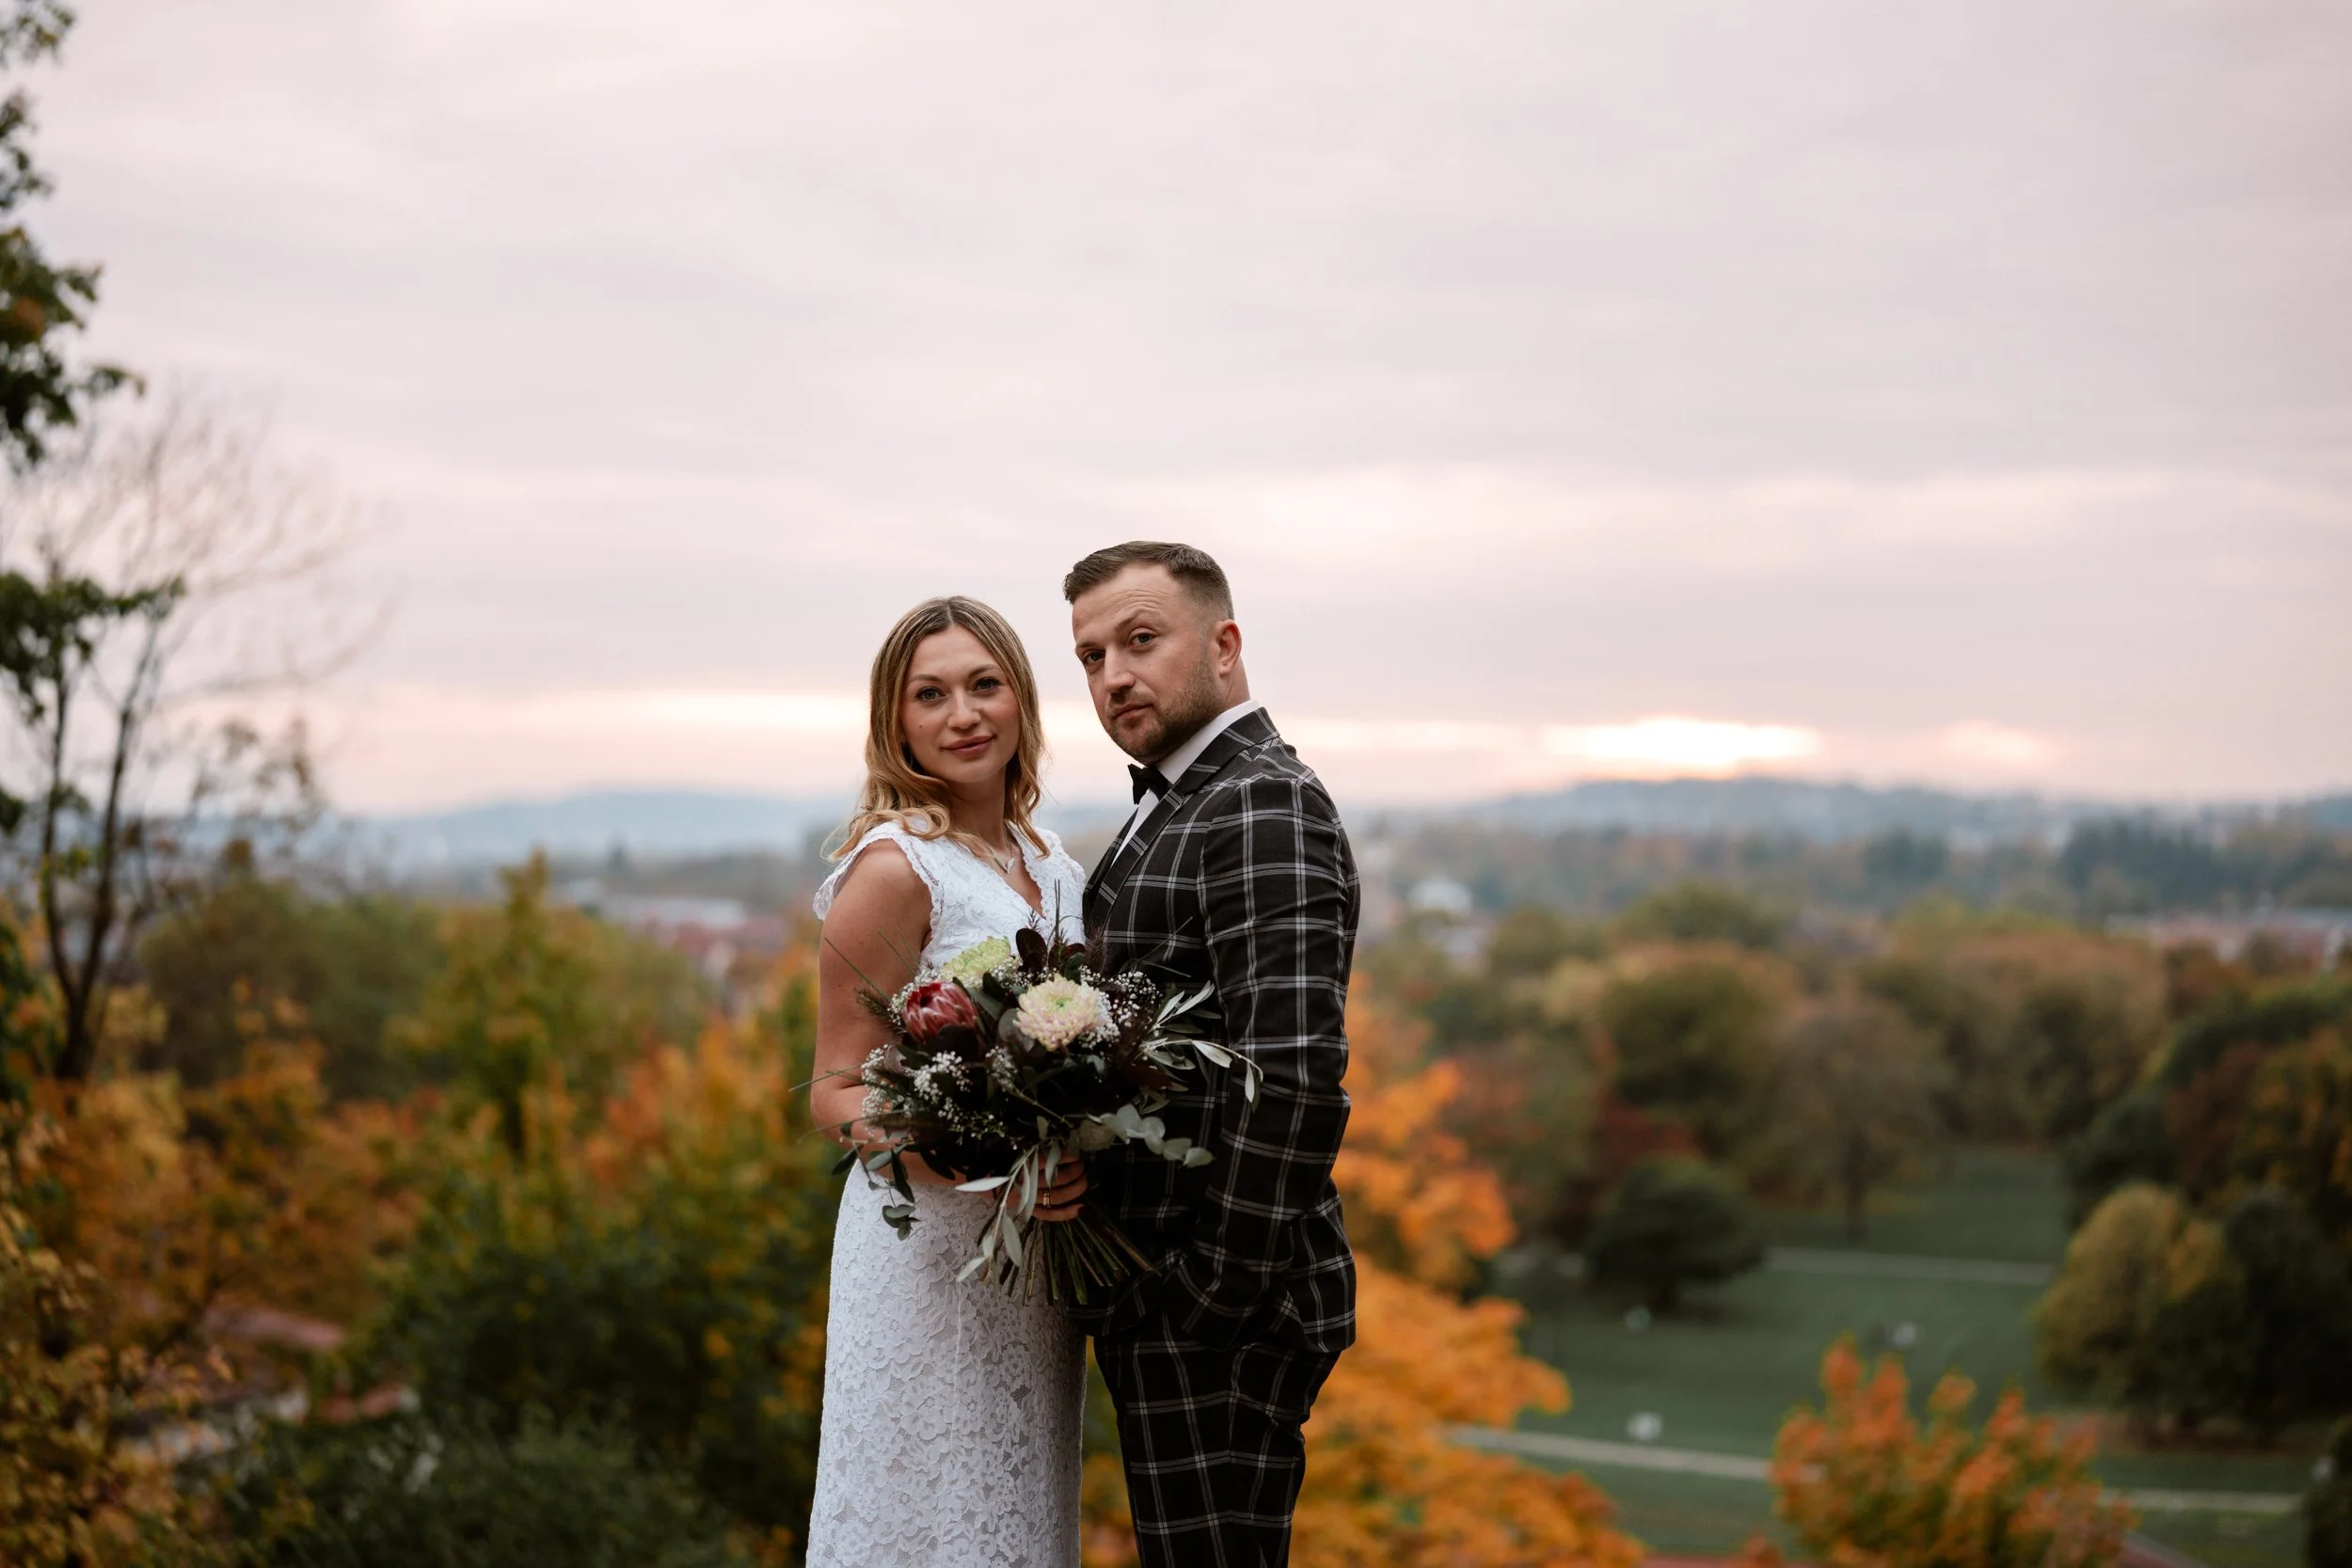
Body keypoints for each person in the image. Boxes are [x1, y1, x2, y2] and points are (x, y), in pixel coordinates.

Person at [1065, 541, 1359, 1568]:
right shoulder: (1186, 798)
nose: (1112, 676)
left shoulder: (1257, 801)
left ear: (1224, 645)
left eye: (1139, 641)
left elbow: (1294, 1080)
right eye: (1091, 655)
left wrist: (1199, 1296)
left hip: (1221, 1313)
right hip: (1176, 1304)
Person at [804, 595, 1093, 1568]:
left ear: (1020, 699)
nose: (962, 713)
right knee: (921, 1515)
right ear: (897, 722)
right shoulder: (894, 869)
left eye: (983, 683)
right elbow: (836, 1087)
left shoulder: (1058, 869)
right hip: (927, 1249)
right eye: (930, 694)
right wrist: (962, 1164)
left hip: (1035, 1267)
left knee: (1013, 1508)